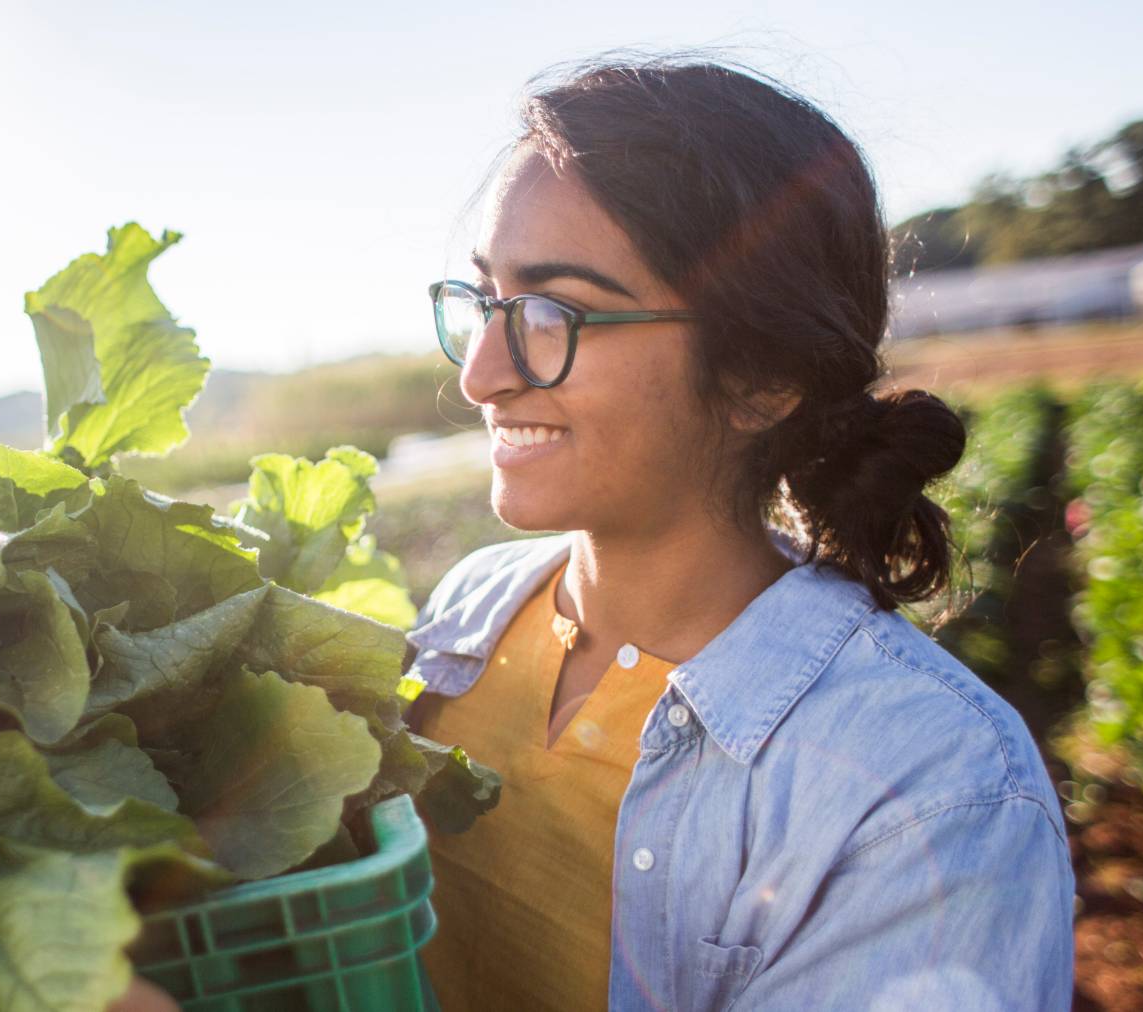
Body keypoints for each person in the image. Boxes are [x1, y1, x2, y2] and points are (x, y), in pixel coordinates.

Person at [403, 51, 1076, 1011]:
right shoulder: (470, 611)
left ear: (761, 378)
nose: (480, 375)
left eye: (556, 313)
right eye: (484, 300)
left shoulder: (933, 790)